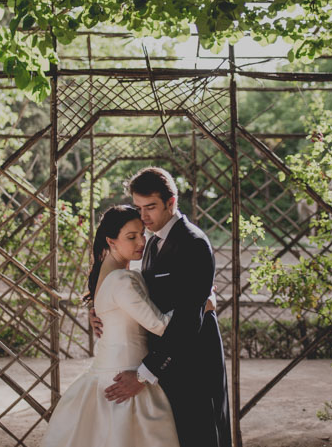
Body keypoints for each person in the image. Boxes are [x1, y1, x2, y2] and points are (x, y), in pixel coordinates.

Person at [95, 167, 232, 447]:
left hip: (194, 364)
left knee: (201, 438)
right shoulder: (151, 243)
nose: (143, 216)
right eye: (138, 208)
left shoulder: (193, 243)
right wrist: (101, 312)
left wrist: (144, 374)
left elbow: (188, 318)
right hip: (165, 365)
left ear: (171, 202)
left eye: (151, 207)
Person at [42, 205, 180, 447]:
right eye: (131, 237)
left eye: (142, 234)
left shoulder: (107, 275)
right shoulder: (122, 280)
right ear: (111, 241)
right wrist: (200, 303)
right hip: (127, 377)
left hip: (106, 372)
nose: (141, 242)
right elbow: (161, 325)